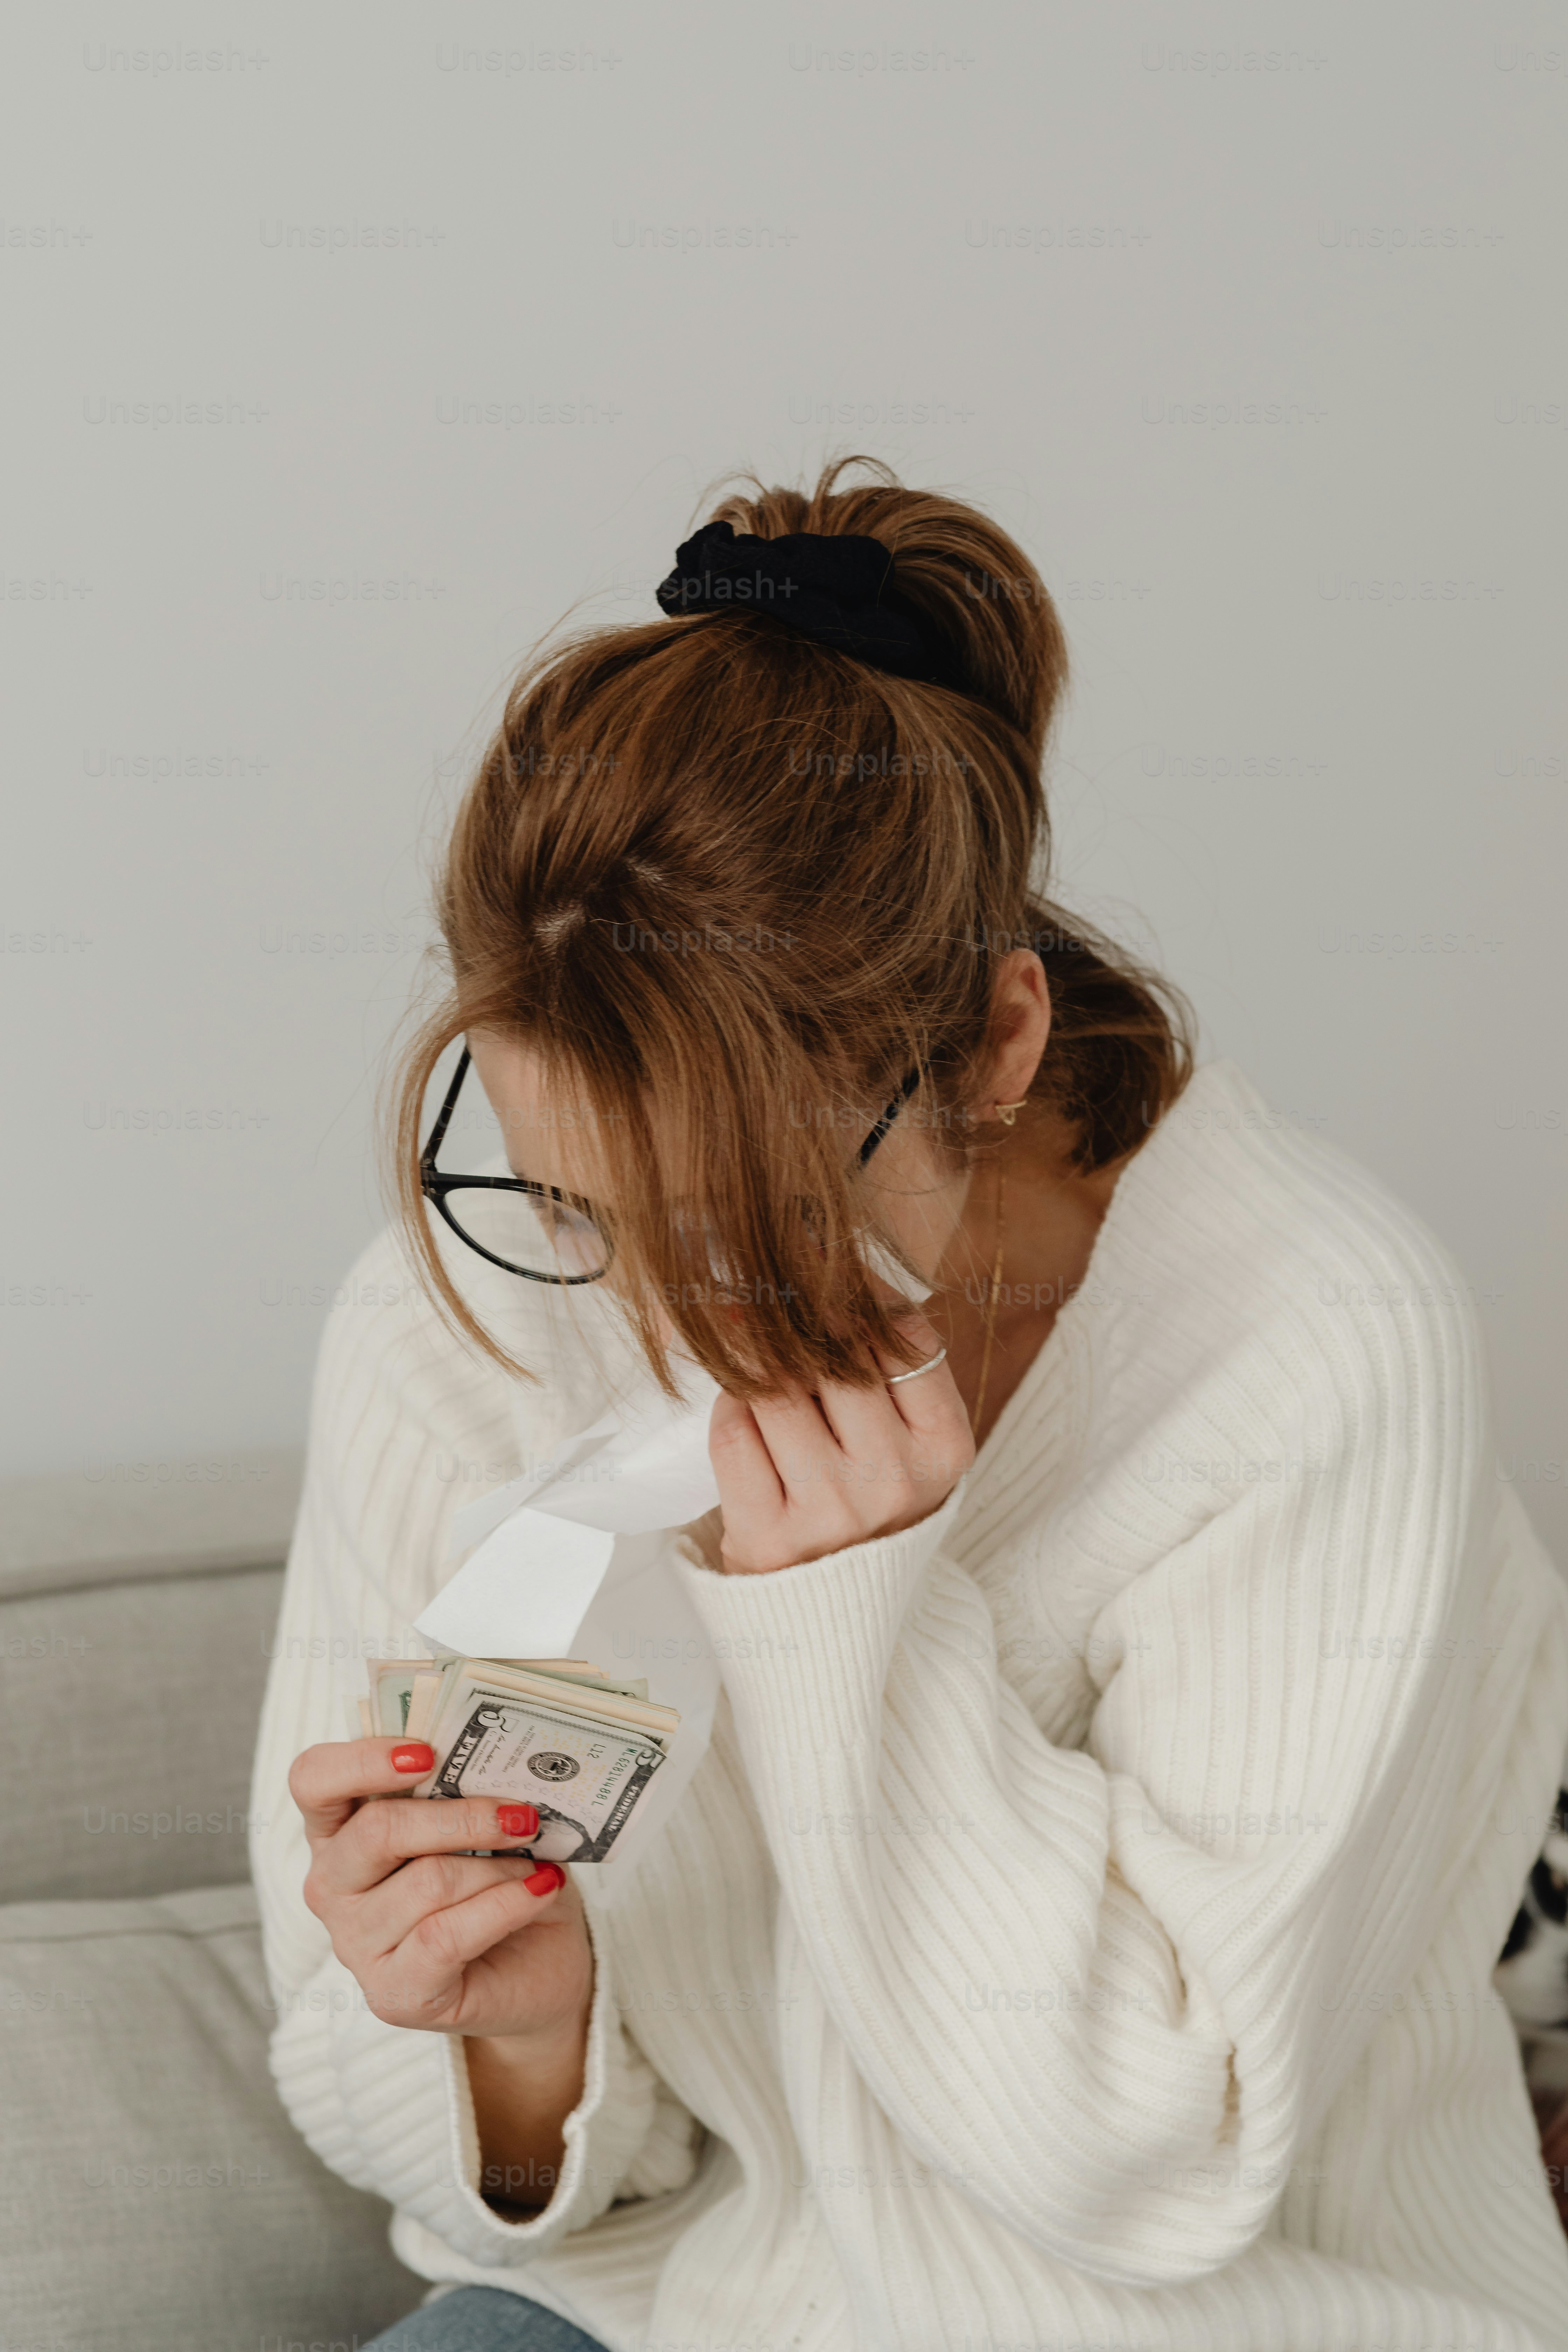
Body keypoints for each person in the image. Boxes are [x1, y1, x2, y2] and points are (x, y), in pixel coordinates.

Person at [250, 457, 1568, 2351]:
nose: (641, 1313)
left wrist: (856, 1628)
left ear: (997, 1043)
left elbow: (1158, 2176)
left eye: (730, 1222)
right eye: (565, 1200)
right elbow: (395, 2110)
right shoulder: (461, 1315)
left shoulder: (1317, 1342)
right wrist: (523, 2042)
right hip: (680, 2312)